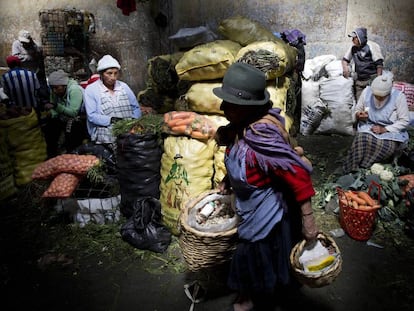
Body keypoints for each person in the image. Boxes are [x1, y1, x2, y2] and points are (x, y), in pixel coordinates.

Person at [213, 62, 319, 311]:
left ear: (246, 107)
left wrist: (309, 220)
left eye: (229, 104)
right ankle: (256, 294)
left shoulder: (262, 135)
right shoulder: (241, 128)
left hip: (269, 213)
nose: (222, 107)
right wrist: (228, 181)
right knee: (255, 252)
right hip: (250, 206)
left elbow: (298, 175)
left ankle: (259, 298)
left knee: (258, 252)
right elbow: (243, 162)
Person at [343, 73, 410, 173]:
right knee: (362, 139)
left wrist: (385, 129)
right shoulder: (367, 91)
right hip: (370, 126)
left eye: (381, 97)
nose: (378, 98)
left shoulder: (399, 97)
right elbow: (358, 109)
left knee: (389, 148)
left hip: (390, 131)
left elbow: (404, 120)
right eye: (376, 96)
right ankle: (352, 168)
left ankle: (366, 167)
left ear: (388, 93)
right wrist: (359, 114)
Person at [84, 55, 141, 152]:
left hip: (128, 133)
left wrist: (133, 121)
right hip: (105, 136)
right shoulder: (91, 90)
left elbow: (136, 107)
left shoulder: (124, 87)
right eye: (109, 73)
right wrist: (111, 120)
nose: (113, 77)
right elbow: (92, 115)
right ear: (101, 74)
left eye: (116, 73)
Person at [43, 70, 86, 158]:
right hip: (64, 116)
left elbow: (73, 112)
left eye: (56, 88)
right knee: (50, 127)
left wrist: (56, 107)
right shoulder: (54, 90)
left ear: (64, 85)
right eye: (52, 88)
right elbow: (54, 107)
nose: (54, 91)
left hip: (80, 118)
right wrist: (52, 113)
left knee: (72, 130)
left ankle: (73, 154)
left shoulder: (74, 90)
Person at [342, 27, 384, 101]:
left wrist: (378, 80)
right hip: (360, 81)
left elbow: (379, 64)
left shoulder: (371, 46)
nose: (352, 40)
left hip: (371, 80)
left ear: (360, 38)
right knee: (360, 103)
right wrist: (345, 68)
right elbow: (345, 59)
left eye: (354, 38)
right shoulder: (353, 48)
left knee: (371, 103)